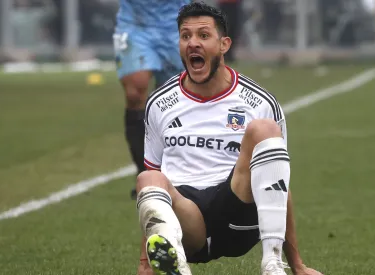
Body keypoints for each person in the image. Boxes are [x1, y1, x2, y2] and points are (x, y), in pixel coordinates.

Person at [136, 2, 323, 275]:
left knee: (264, 130)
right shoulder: (159, 103)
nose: (192, 44)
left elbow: (279, 185)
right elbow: (152, 197)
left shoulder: (259, 102)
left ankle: (273, 265)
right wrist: (144, 263)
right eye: (185, 36)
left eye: (203, 35)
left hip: (236, 213)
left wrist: (298, 264)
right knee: (146, 179)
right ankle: (175, 266)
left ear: (224, 44)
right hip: (187, 222)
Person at [113, 0, 191, 200]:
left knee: (173, 96)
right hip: (135, 24)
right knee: (135, 91)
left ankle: (174, 172)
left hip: (176, 23)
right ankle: (145, 175)